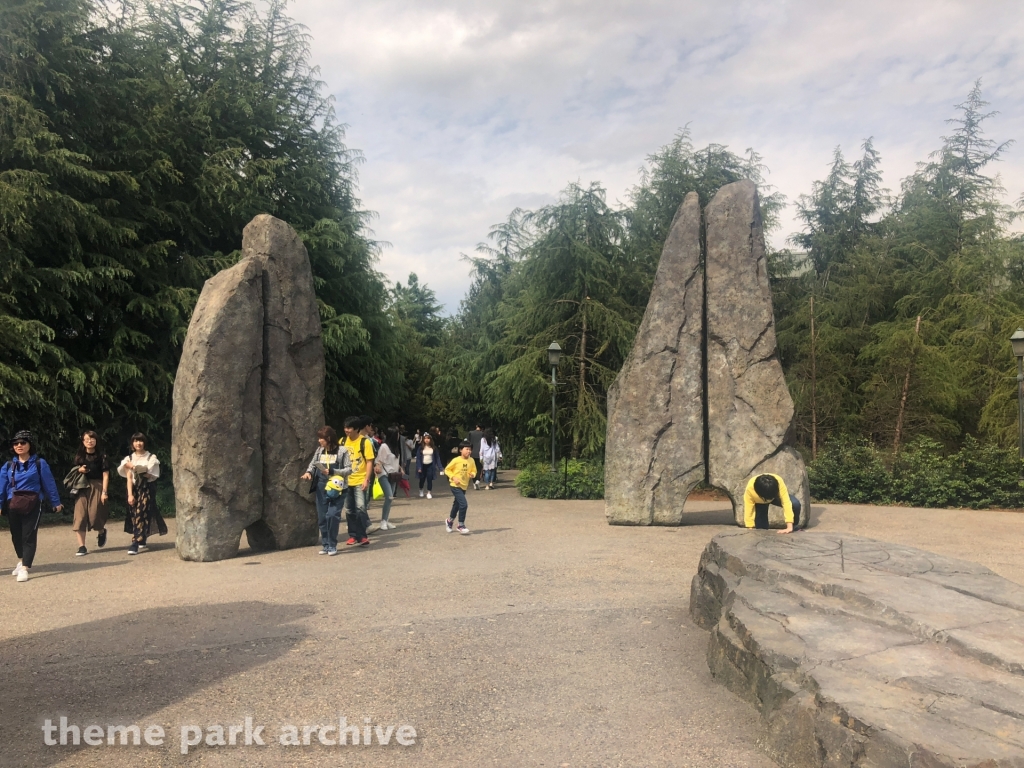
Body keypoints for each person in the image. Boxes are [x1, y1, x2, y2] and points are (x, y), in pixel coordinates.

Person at [2, 430, 63, 582]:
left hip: (33, 503)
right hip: (13, 503)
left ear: (30, 445)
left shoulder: (39, 463)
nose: (19, 445)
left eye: (23, 442)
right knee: (16, 535)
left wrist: (56, 502)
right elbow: (1, 486)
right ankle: (22, 559)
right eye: (16, 443)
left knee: (28, 534)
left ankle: (25, 567)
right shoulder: (9, 465)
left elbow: (49, 484)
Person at [300, 426, 351, 555]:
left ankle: (333, 544)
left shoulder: (342, 451)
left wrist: (333, 471)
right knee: (322, 517)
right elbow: (313, 463)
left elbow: (349, 469)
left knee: (332, 515)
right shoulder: (320, 450)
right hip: (321, 486)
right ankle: (326, 544)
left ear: (328, 438)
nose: (319, 441)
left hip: (337, 487)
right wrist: (308, 473)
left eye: (321, 438)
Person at [117, 433, 167, 554]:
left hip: (147, 488)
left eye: (140, 441)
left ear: (144, 442)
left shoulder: (151, 457)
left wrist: (133, 467)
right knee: (134, 514)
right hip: (133, 489)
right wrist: (130, 494)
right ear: (132, 443)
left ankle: (135, 542)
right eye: (135, 441)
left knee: (141, 512)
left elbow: (148, 473)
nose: (138, 443)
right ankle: (142, 537)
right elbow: (129, 478)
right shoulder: (128, 458)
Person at [70, 430, 110, 556]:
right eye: (87, 439)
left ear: (96, 441)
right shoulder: (79, 457)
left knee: (95, 515)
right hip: (81, 487)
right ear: (83, 442)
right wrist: (79, 469)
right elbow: (73, 472)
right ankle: (82, 546)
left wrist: (104, 491)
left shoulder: (102, 457)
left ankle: (101, 531)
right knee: (80, 516)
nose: (90, 441)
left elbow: (106, 475)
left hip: (97, 485)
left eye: (92, 439)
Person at [341, 417, 375, 546]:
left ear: (357, 429)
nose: (346, 430)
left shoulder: (365, 442)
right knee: (349, 509)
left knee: (361, 507)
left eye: (349, 428)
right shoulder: (342, 441)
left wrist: (367, 479)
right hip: (346, 480)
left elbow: (370, 461)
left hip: (360, 479)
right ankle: (353, 535)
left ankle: (362, 536)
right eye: (345, 427)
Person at [443, 440, 476, 534]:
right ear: (461, 450)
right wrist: (453, 477)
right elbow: (447, 470)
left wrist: (473, 474)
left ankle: (449, 521)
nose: (469, 451)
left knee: (457, 505)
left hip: (464, 486)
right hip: (455, 485)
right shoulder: (456, 460)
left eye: (470, 449)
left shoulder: (471, 460)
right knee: (464, 504)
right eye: (467, 449)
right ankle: (461, 525)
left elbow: (474, 470)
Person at [374, 428, 402, 530]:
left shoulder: (395, 447)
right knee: (389, 496)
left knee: (390, 499)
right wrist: (377, 467)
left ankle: (386, 519)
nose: (399, 436)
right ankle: (383, 522)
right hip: (384, 474)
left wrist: (400, 468)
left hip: (393, 475)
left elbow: (395, 461)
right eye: (397, 434)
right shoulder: (384, 447)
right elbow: (379, 460)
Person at [416, 432, 439, 499]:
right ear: (423, 439)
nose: (426, 440)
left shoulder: (434, 448)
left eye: (428, 438)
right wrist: (419, 467)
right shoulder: (420, 448)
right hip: (423, 465)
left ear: (430, 439)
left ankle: (429, 492)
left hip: (430, 465)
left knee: (429, 479)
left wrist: (440, 467)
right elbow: (418, 458)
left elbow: (437, 458)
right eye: (425, 438)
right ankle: (421, 490)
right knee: (422, 479)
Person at [468, 424, 484, 490]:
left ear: (476, 426)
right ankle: (478, 480)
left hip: (472, 453)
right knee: (479, 468)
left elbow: (468, 442)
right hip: (480, 453)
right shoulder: (483, 434)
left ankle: (474, 482)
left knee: (472, 468)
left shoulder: (471, 433)